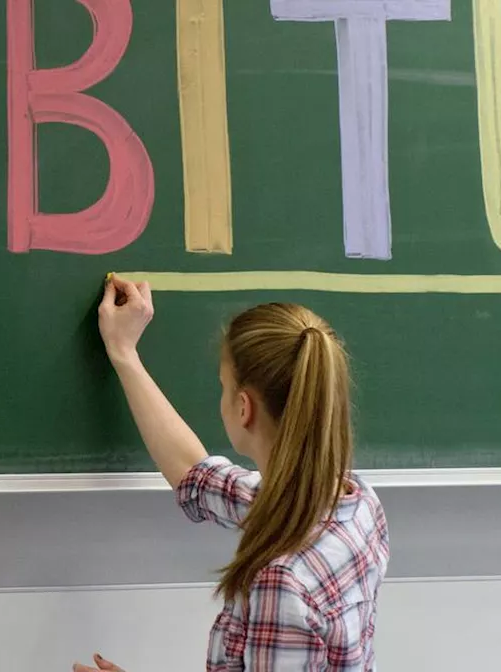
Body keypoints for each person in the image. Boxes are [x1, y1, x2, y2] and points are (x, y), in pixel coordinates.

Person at [74, 275, 390, 671]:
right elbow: (195, 475)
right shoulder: (355, 501)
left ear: (244, 408)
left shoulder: (283, 582)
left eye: (223, 386)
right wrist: (123, 352)